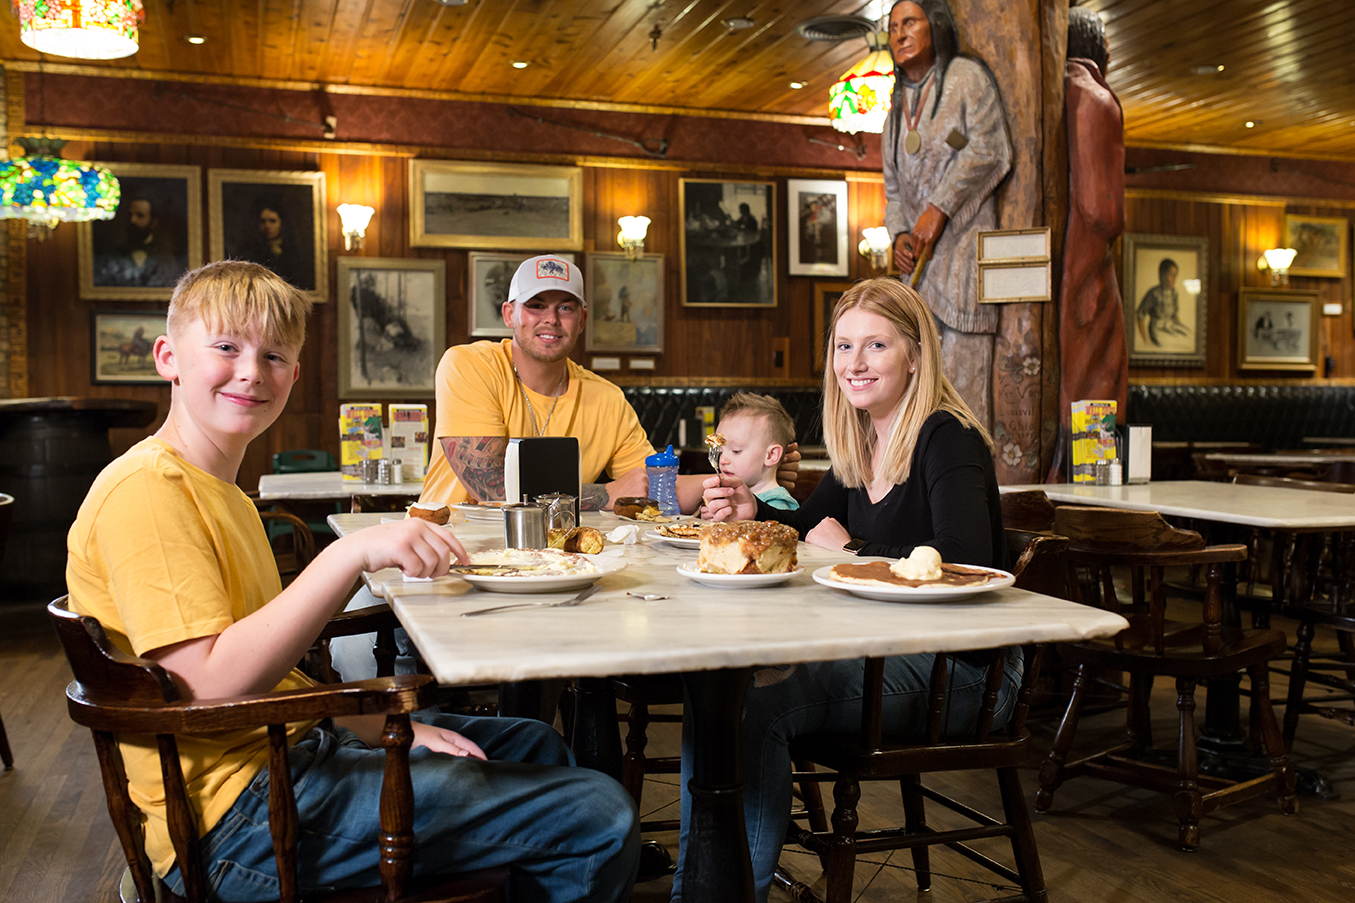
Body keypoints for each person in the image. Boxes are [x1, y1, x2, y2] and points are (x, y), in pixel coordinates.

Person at [65, 261, 639, 903]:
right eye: (226, 347)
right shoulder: (148, 490)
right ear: (168, 357)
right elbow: (206, 690)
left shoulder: (220, 490)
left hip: (288, 748)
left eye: (275, 356)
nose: (253, 371)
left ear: (295, 374)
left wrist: (374, 727)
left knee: (534, 741)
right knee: (602, 813)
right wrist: (350, 556)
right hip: (238, 820)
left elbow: (276, 672)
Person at [677, 277, 1017, 903]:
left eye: (876, 346)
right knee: (718, 690)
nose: (854, 364)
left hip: (963, 669)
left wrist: (858, 551)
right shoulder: (861, 440)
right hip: (889, 650)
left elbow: (970, 565)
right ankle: (699, 889)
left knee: (755, 701)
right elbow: (811, 525)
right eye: (843, 346)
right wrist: (754, 507)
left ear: (916, 353)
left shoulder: (948, 437)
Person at [882, 0, 1012, 430]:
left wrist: (938, 208)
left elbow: (990, 149)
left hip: (961, 256)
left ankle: (968, 482)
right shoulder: (896, 110)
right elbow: (894, 187)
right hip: (918, 272)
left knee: (964, 387)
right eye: (893, 26)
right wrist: (899, 234)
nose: (900, 33)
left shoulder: (966, 78)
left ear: (934, 27)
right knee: (914, 386)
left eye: (910, 22)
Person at [1052, 6, 1128, 479]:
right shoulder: (1093, 97)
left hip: (1058, 260)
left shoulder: (1049, 94)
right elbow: (1104, 210)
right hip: (1084, 263)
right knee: (1096, 377)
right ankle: (1091, 491)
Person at [713, 392, 799, 511]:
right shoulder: (728, 496)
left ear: (771, 455)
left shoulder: (777, 505)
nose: (722, 460)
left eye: (736, 451)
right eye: (721, 451)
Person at [93, 196, 183, 287]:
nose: (132, 220)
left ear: (153, 222)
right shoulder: (110, 257)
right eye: (130, 215)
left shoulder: (168, 259)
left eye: (140, 215)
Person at [239, 198, 308, 289]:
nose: (267, 226)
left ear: (281, 223)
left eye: (272, 221)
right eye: (263, 221)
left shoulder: (293, 252)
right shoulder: (249, 250)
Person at [1135, 257, 1187, 346]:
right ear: (1162, 275)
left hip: (1170, 327)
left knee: (1186, 338)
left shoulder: (1174, 293)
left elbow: (1175, 316)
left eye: (1175, 275)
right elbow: (1140, 315)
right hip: (1157, 330)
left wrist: (1180, 327)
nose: (1174, 279)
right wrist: (1145, 340)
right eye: (1171, 275)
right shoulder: (1154, 293)